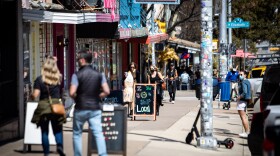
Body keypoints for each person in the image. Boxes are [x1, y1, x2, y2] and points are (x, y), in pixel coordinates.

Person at [69, 50, 110, 156]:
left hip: (80, 108)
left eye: (78, 59)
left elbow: (72, 92)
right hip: (95, 108)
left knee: (77, 134)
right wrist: (98, 96)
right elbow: (107, 91)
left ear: (82, 60)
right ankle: (103, 154)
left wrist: (77, 97)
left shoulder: (76, 75)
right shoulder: (99, 75)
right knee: (98, 133)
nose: (77, 61)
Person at [31, 56, 66, 156]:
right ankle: (59, 146)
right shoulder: (58, 78)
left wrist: (31, 96)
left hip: (44, 108)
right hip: (56, 106)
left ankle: (46, 153)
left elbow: (36, 94)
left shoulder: (39, 79)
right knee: (57, 130)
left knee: (44, 131)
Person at [236, 70, 251, 138]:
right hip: (244, 100)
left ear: (245, 75)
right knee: (244, 117)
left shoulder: (244, 82)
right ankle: (247, 132)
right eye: (239, 75)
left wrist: (239, 97)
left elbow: (245, 92)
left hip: (242, 101)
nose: (240, 76)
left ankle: (247, 132)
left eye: (241, 74)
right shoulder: (247, 81)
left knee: (243, 117)